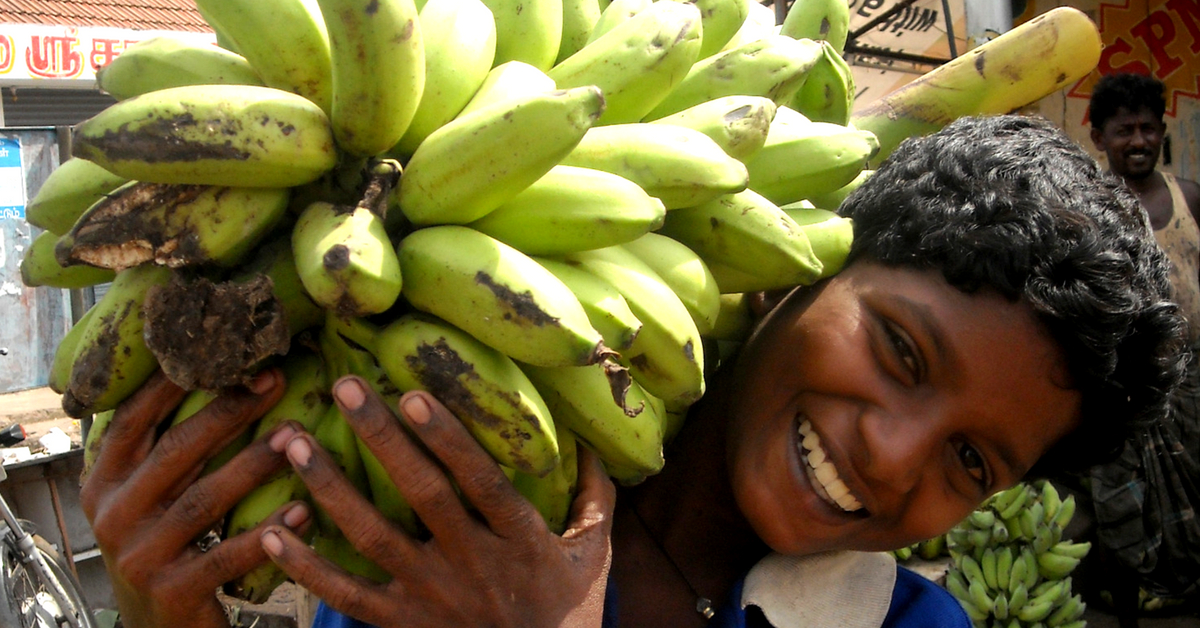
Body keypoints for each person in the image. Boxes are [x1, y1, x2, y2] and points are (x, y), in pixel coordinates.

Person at [79, 114, 1189, 628]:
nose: (893, 456)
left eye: (971, 457)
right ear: (786, 268)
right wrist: (156, 608)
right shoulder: (453, 499)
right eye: (899, 350)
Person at [1081, 72, 1200, 612]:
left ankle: (1187, 588)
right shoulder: (1089, 209)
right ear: (1099, 137)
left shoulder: (1190, 197)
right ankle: (1133, 600)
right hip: (1124, 386)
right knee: (1122, 504)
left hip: (1192, 383)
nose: (1138, 141)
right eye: (1124, 129)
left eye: (1148, 128)